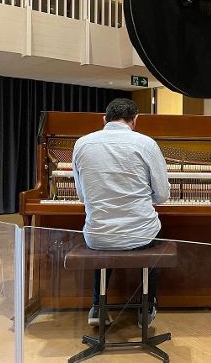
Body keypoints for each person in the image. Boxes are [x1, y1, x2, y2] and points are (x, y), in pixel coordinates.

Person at [72, 98, 170, 327]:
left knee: (103, 232)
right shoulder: (146, 144)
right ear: (135, 120)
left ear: (103, 119)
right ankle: (147, 307)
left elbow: (83, 197)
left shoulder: (81, 144)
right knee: (152, 234)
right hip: (140, 235)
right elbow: (163, 196)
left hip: (97, 237)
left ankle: (98, 306)